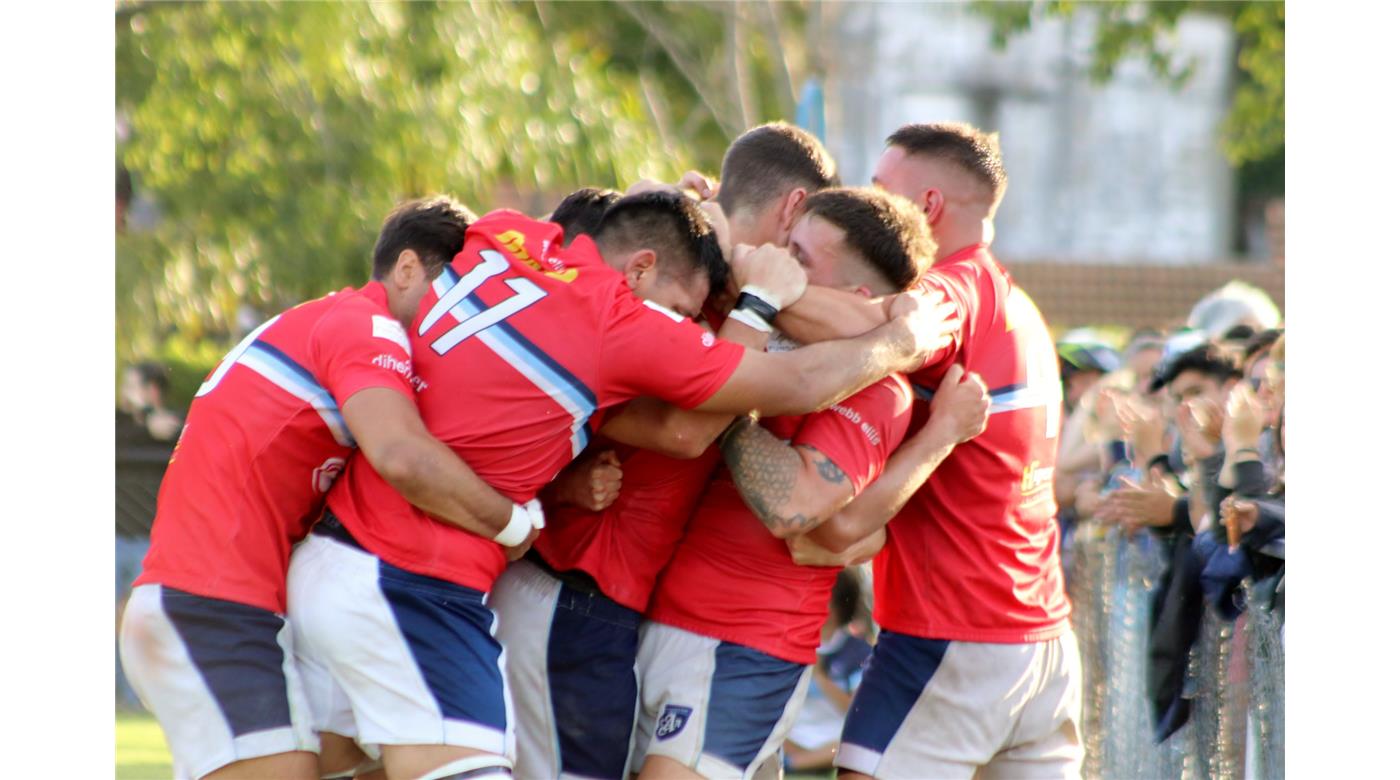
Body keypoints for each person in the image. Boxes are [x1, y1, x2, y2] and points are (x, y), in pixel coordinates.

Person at [287, 192, 957, 780]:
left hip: (392, 567)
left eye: (797, 260)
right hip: (450, 583)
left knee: (348, 758)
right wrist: (900, 337)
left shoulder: (510, 233)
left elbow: (813, 514)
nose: (774, 262)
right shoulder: (619, 321)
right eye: (682, 309)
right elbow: (692, 432)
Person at [119, 197, 537, 780]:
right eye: (454, 292)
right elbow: (402, 456)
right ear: (409, 268)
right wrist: (514, 524)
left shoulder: (325, 321)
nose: (458, 317)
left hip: (221, 601)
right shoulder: (365, 326)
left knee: (356, 759)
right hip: (210, 603)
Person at [489, 121, 843, 780]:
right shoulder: (664, 287)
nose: (797, 259)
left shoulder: (697, 269)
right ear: (793, 206)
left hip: (601, 606)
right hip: (569, 592)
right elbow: (684, 433)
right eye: (803, 237)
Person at [633, 186, 993, 780]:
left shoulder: (878, 388)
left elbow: (797, 509)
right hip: (661, 623)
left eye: (798, 256)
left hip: (743, 644)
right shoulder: (757, 329)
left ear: (853, 298)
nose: (774, 258)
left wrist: (713, 404)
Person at [773, 122, 1081, 778]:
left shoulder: (956, 288)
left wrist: (753, 282)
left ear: (929, 207)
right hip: (1041, 641)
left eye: (883, 189)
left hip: (954, 637)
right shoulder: (1020, 304)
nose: (870, 202)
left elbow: (888, 329)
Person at [782, 570, 875, 773]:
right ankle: (795, 761)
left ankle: (792, 765)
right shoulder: (788, 641)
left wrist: (820, 677)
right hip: (792, 736)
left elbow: (859, 712)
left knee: (850, 749)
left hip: (832, 741)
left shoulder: (858, 652)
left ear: (834, 607)